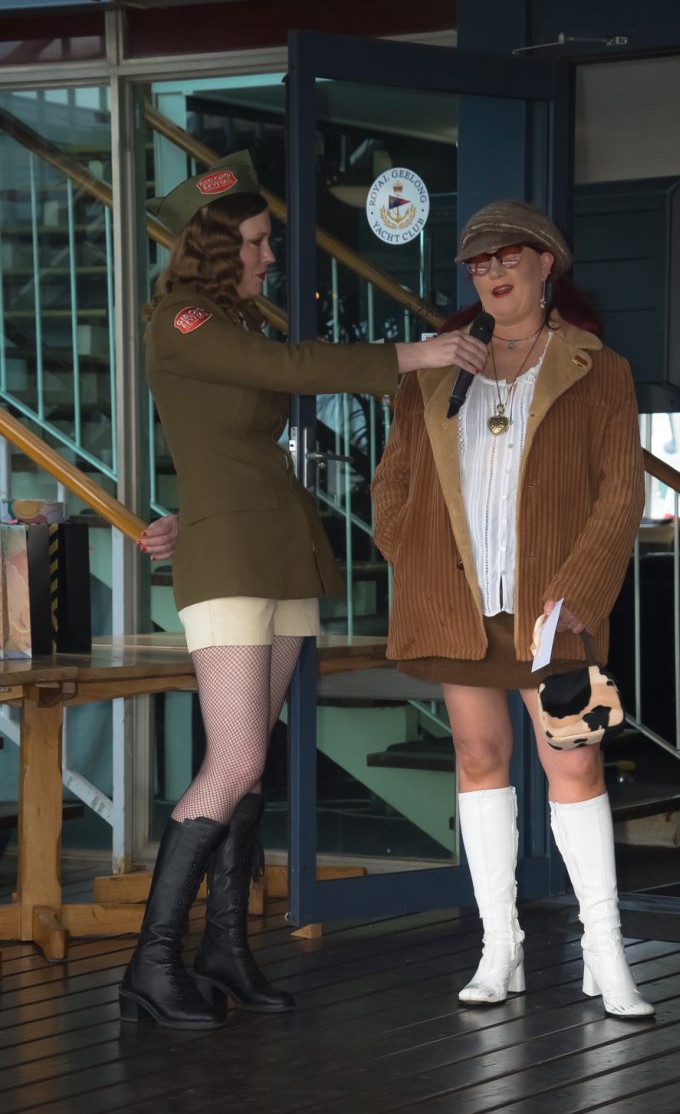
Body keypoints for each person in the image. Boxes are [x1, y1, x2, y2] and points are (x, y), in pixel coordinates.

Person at [120, 152, 488, 1031]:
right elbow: (286, 368)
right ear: (217, 247)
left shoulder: (229, 318)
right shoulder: (183, 315)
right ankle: (150, 963)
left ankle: (225, 949)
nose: (268, 254)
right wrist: (415, 353)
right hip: (231, 560)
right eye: (255, 241)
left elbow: (231, 439)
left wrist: (185, 510)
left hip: (275, 548)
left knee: (254, 762)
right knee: (236, 762)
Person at [370, 199, 655, 1019]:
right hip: (458, 604)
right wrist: (412, 556)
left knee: (577, 763)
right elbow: (393, 480)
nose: (492, 273)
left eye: (507, 257)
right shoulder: (436, 367)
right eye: (479, 263)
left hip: (557, 612)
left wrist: (580, 591)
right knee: (477, 756)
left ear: (545, 263)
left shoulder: (597, 367)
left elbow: (620, 493)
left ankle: (605, 950)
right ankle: (501, 947)